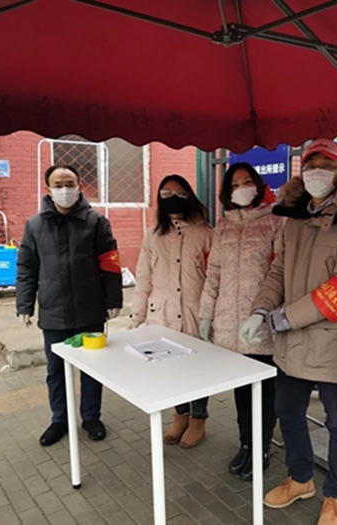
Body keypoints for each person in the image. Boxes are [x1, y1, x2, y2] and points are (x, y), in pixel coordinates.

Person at [240, 139, 337, 525]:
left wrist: (283, 318)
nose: (317, 172)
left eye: (326, 165)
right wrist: (260, 310)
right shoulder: (293, 220)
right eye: (311, 164)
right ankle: (300, 479)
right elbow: (279, 271)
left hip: (333, 343)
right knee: (288, 412)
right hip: (291, 343)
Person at [16, 164, 123, 446]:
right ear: (48, 189)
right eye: (59, 185)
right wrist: (24, 304)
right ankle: (59, 420)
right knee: (56, 371)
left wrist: (113, 300)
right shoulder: (34, 226)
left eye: (70, 184)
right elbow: (26, 268)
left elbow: (110, 263)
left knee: (92, 369)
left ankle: (91, 417)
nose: (65, 190)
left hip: (90, 309)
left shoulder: (96, 222)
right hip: (54, 312)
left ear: (79, 186)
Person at [198, 163, 284, 481]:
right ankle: (246, 444)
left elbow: (281, 274)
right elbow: (214, 274)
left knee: (265, 393)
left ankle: (262, 449)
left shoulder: (276, 220)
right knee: (242, 393)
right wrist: (206, 315)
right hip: (229, 326)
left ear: (258, 186)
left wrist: (269, 314)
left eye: (247, 181)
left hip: (260, 326)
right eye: (235, 185)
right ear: (228, 192)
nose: (242, 188)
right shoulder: (223, 226)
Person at [131, 174, 213, 448]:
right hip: (162, 315)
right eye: (166, 194)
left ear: (189, 195)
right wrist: (137, 316)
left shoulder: (206, 233)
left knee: (197, 370)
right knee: (171, 370)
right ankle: (180, 416)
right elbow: (144, 277)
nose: (173, 198)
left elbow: (214, 278)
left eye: (179, 193)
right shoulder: (152, 235)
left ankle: (198, 419)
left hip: (193, 314)